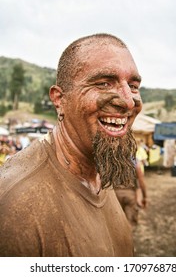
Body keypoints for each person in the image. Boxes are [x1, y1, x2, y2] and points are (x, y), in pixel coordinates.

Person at [0, 33, 143, 257]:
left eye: (133, 86)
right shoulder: (16, 206)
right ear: (59, 99)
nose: (128, 101)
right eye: (104, 83)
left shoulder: (100, 167)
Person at [115, 158, 147, 230]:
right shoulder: (134, 161)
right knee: (130, 225)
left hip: (115, 195)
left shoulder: (112, 160)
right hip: (130, 195)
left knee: (116, 224)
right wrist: (145, 196)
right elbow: (141, 181)